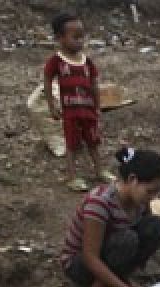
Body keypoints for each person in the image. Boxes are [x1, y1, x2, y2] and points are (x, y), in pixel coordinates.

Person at [60, 147, 160, 287]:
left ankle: (117, 280)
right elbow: (91, 258)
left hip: (113, 253)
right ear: (132, 179)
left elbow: (151, 228)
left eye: (156, 193)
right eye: (150, 191)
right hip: (80, 264)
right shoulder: (100, 202)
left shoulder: (140, 201)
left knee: (156, 226)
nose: (152, 197)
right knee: (127, 240)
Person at [43, 12, 111, 191]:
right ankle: (72, 176)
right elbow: (48, 80)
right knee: (72, 143)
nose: (80, 41)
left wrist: (97, 105)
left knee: (93, 141)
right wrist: (51, 105)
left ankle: (99, 170)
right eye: (75, 37)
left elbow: (94, 83)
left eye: (82, 36)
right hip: (70, 112)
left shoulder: (86, 61)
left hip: (88, 110)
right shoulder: (56, 61)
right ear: (60, 38)